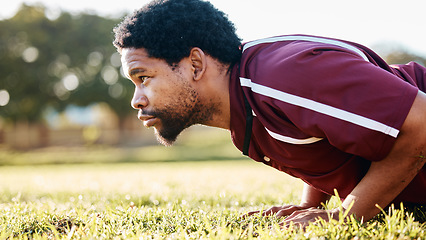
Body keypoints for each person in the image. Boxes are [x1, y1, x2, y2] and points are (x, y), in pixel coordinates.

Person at [113, 0, 426, 228]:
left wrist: (346, 217)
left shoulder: (280, 74)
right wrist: (310, 205)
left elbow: (421, 124)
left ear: (195, 64)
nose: (136, 100)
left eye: (143, 78)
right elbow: (324, 132)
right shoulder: (245, 110)